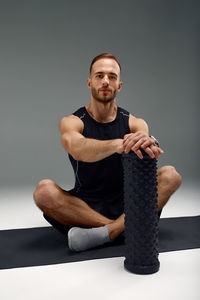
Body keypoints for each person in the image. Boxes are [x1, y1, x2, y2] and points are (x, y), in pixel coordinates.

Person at [33, 53, 182, 252]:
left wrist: (149, 142)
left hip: (130, 201)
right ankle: (125, 228)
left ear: (119, 85)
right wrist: (117, 144)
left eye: (112, 77)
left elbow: (145, 152)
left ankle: (106, 233)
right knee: (44, 192)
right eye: (99, 75)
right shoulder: (72, 121)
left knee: (171, 175)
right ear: (89, 83)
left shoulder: (135, 123)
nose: (105, 81)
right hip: (85, 206)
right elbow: (77, 149)